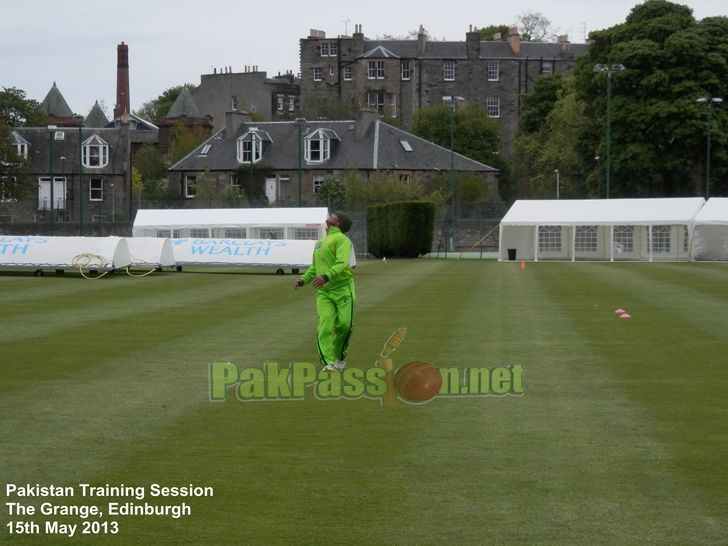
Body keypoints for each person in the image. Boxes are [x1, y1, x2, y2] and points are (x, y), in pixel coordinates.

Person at [295, 212, 355, 371]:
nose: (331, 214)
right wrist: (304, 280)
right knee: (325, 326)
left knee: (345, 326)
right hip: (324, 292)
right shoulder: (320, 243)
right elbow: (314, 267)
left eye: (334, 215)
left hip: (343, 289)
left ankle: (340, 356)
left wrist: (327, 277)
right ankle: (328, 363)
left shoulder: (343, 240)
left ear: (338, 223)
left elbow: (342, 263)